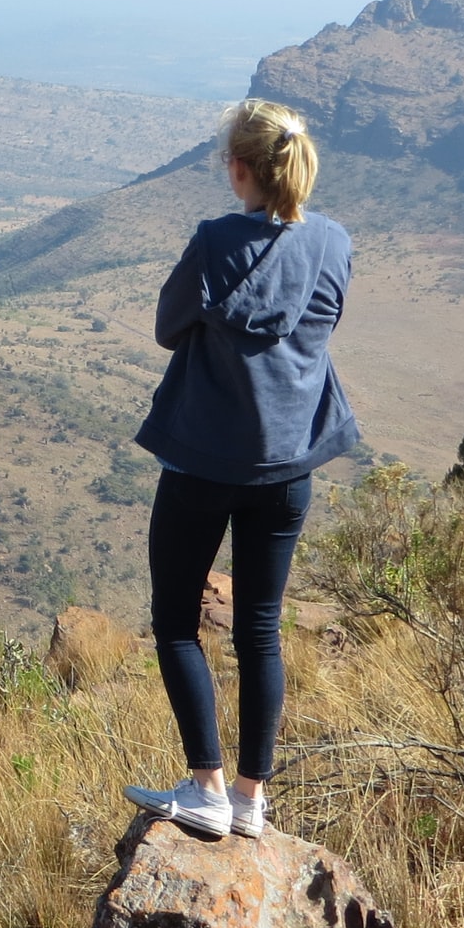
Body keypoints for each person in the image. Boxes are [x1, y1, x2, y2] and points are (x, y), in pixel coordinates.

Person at [122, 98, 358, 840]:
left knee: (175, 621)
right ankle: (252, 801)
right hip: (290, 462)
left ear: (240, 170)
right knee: (260, 628)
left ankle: (206, 789)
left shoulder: (216, 239)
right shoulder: (333, 241)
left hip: (203, 459)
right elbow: (323, 321)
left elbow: (167, 328)